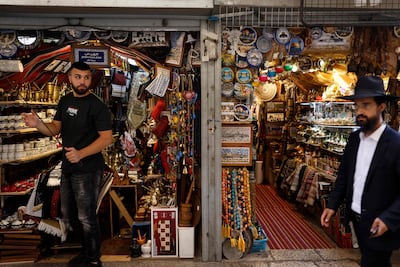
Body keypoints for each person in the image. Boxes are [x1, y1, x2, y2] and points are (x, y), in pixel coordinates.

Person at [22, 61, 113, 267]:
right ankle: (85, 252)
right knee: (69, 214)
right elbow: (55, 128)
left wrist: (81, 153)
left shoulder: (97, 106)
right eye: (78, 77)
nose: (83, 81)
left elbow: (106, 138)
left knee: (86, 216)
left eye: (87, 77)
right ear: (70, 78)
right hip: (68, 167)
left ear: (90, 79)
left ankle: (92, 259)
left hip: (88, 168)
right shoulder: (64, 101)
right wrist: (38, 124)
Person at [320, 75, 400, 267]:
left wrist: (388, 219)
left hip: (379, 224)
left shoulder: (395, 144)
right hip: (357, 219)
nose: (359, 111)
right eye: (357, 106)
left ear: (381, 107)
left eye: (366, 105)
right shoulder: (355, 139)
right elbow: (345, 175)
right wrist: (332, 205)